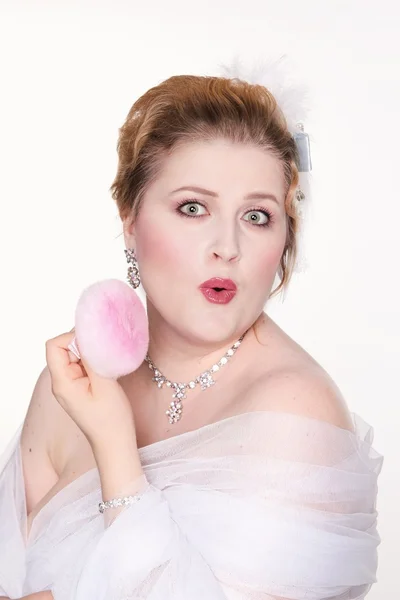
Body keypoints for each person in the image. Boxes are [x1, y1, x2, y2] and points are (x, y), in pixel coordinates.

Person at [0, 66, 383, 600]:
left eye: (256, 216)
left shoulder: (296, 416)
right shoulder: (71, 383)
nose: (227, 246)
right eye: (193, 208)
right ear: (130, 219)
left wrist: (115, 447)